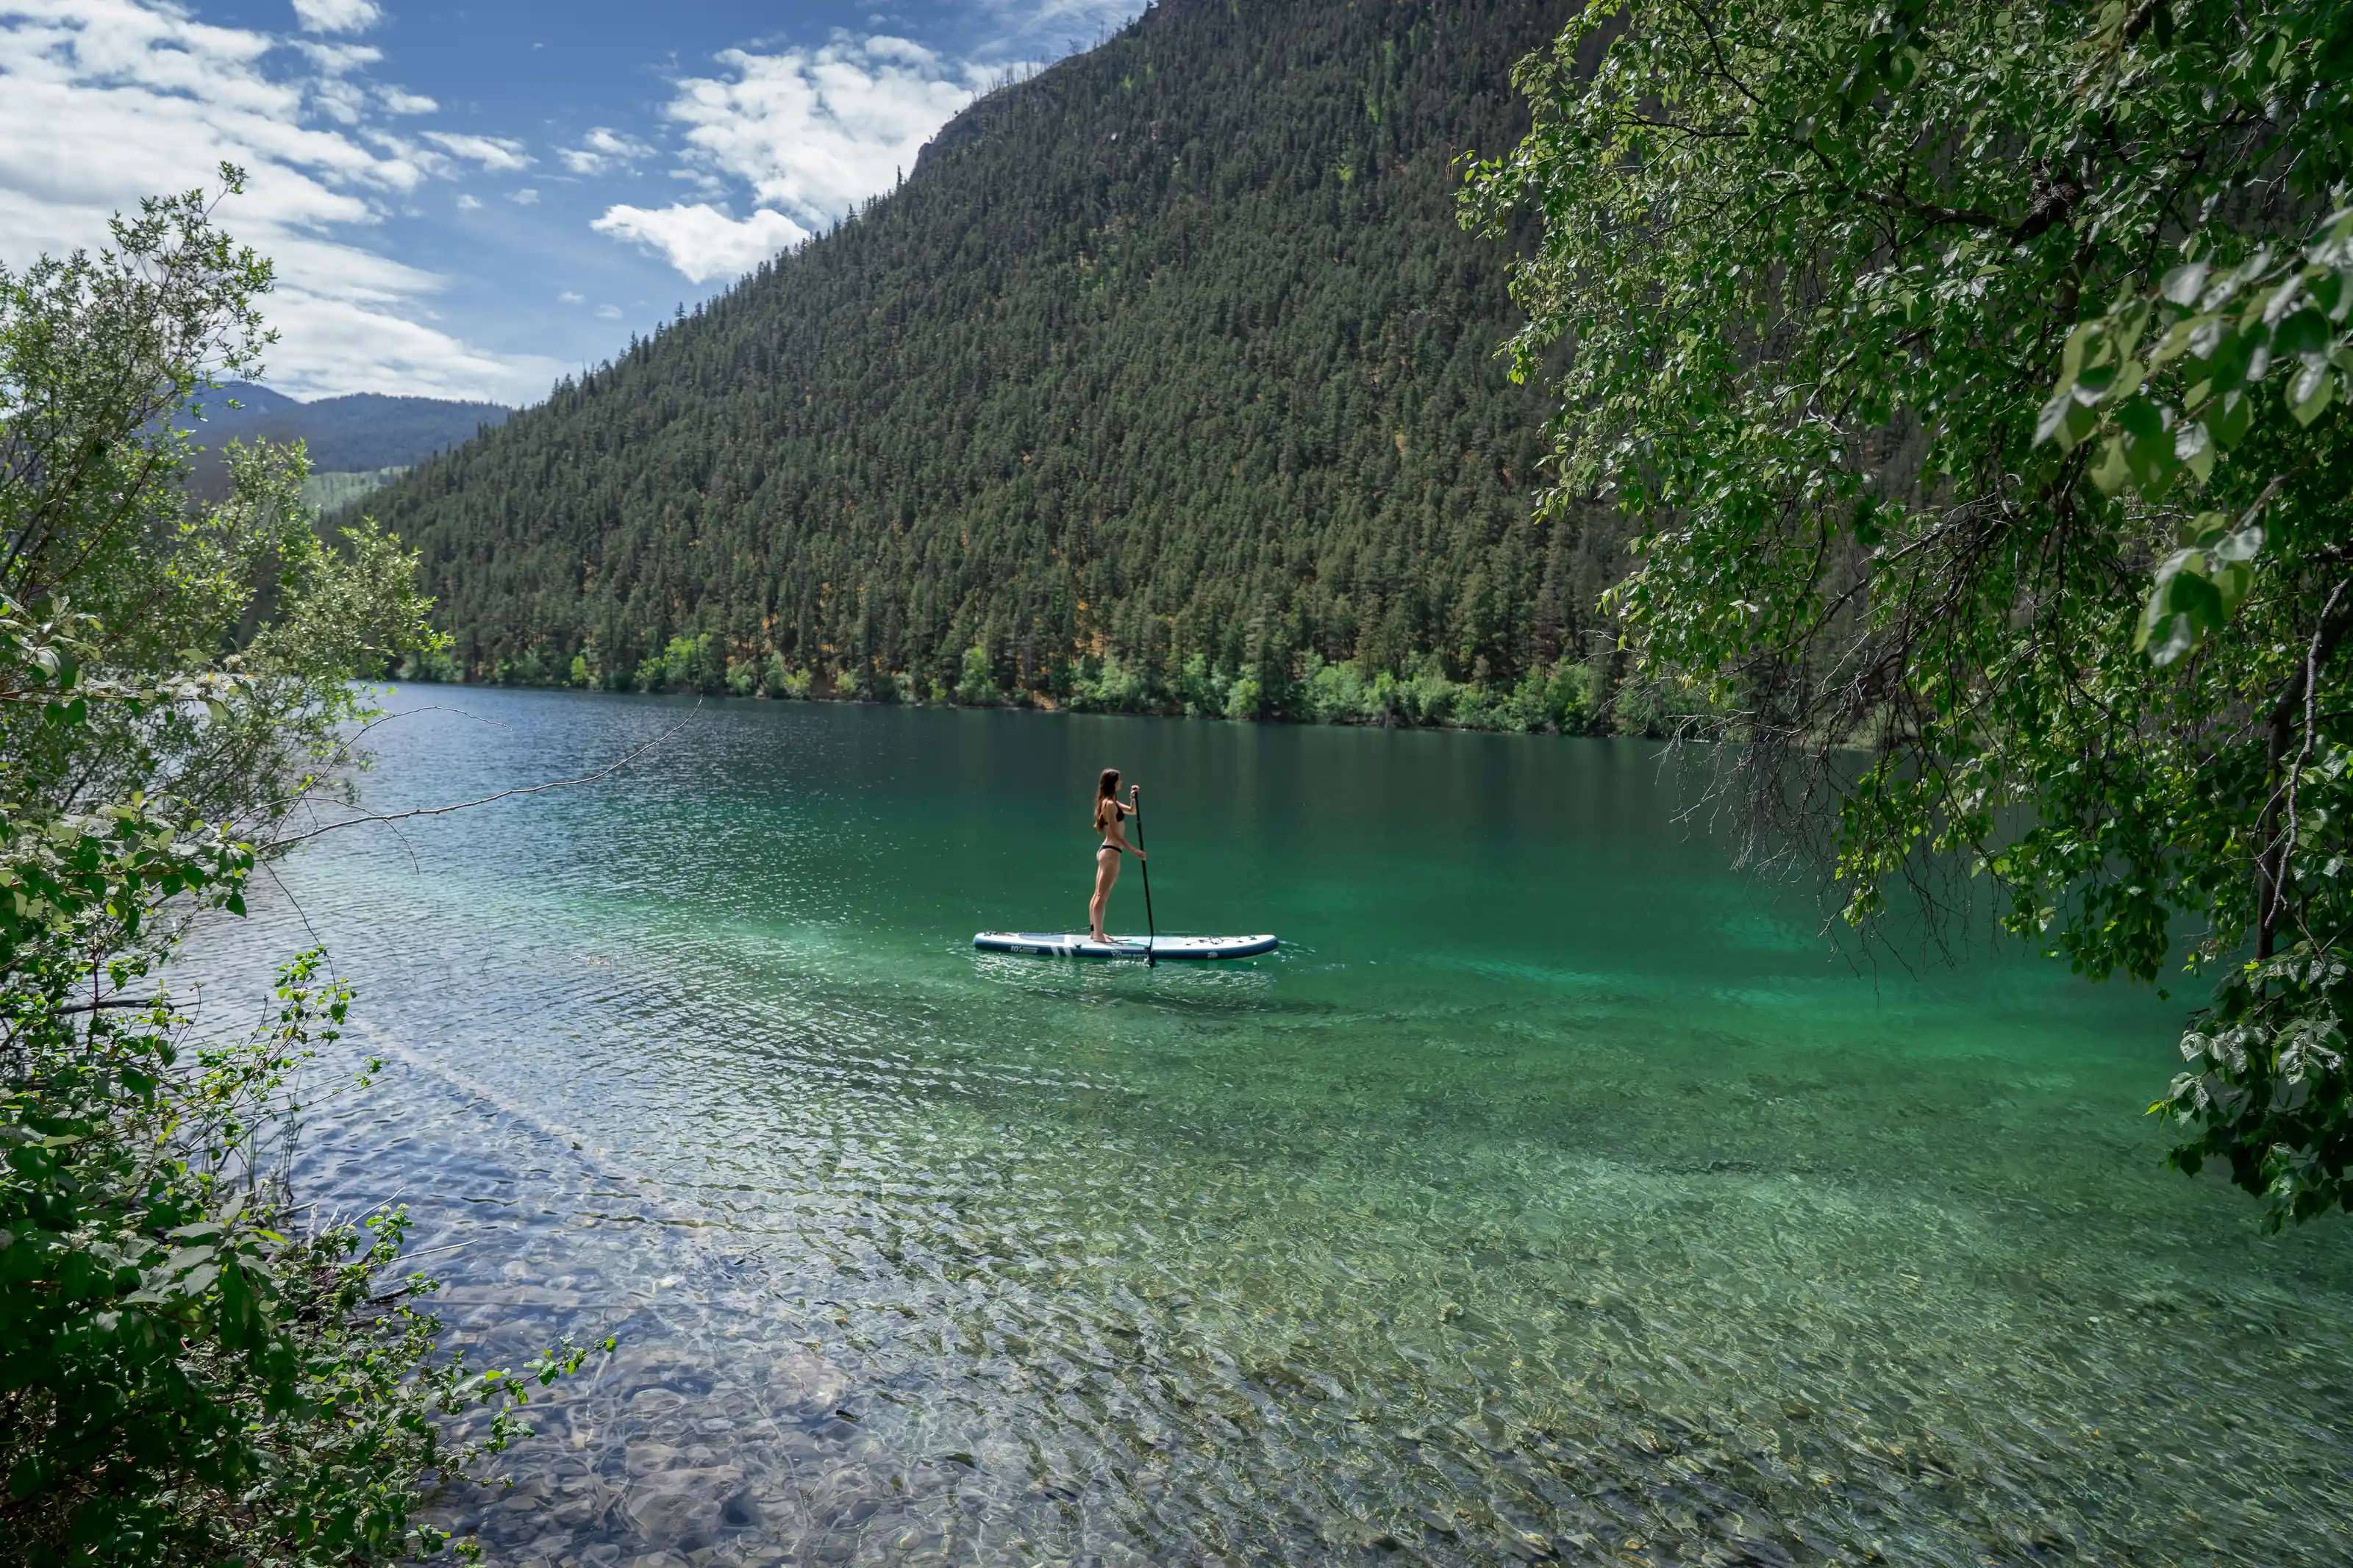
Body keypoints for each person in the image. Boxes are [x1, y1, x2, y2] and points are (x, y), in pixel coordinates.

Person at [1089, 767, 1143, 945]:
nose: (1122, 782)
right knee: (1102, 896)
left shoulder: (1112, 801)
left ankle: (1096, 932)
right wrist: (1133, 850)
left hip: (1109, 851)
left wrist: (1133, 797)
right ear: (1113, 783)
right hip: (1111, 851)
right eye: (1119, 780)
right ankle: (1098, 935)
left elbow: (1133, 811)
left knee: (1098, 894)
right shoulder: (1110, 804)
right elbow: (1113, 833)